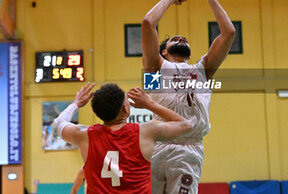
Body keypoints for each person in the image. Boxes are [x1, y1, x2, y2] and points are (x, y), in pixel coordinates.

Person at [141, 0, 236, 194]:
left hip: (188, 149)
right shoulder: (155, 70)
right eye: (174, 39)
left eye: (183, 38)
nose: (181, 37)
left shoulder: (202, 70)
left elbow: (229, 33)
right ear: (163, 52)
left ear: (191, 55)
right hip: (157, 146)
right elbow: (147, 23)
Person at [52, 82, 192, 194]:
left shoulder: (85, 135)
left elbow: (57, 123)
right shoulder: (146, 131)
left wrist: (76, 104)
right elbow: (185, 125)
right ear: (126, 108)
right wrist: (149, 104)